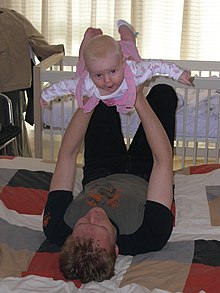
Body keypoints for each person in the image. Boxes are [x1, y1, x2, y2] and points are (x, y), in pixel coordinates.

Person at [43, 82, 177, 283]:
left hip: (100, 169)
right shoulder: (150, 235)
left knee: (101, 97)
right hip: (146, 174)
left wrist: (89, 102)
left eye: (83, 221)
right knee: (163, 93)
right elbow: (163, 161)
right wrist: (138, 98)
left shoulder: (56, 226)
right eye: (101, 226)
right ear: (115, 248)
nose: (94, 214)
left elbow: (67, 155)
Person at [41, 20, 192, 114]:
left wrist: (178, 73)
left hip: (125, 52)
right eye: (98, 75)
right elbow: (63, 86)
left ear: (122, 63)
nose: (107, 80)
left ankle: (124, 26)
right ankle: (90, 38)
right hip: (107, 60)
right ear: (91, 73)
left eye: (112, 72)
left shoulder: (134, 70)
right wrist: (45, 95)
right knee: (80, 69)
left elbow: (156, 66)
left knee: (128, 40)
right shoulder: (88, 83)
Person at [0, 8, 64, 156]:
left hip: (11, 82)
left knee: (10, 127)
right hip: (14, 82)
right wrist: (54, 52)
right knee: (12, 128)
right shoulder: (13, 18)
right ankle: (17, 158)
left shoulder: (12, 18)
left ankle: (14, 158)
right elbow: (40, 43)